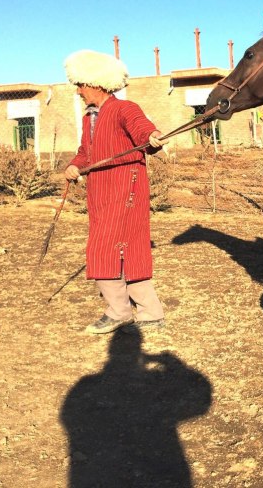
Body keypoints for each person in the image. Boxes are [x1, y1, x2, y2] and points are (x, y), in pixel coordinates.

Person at [64, 49, 169, 334]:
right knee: (124, 248)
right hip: (99, 194)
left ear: (95, 83)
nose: (78, 91)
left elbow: (142, 130)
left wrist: (152, 137)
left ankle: (120, 311)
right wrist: (74, 166)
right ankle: (149, 313)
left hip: (126, 189)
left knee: (105, 248)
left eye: (80, 85)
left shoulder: (125, 108)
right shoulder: (89, 118)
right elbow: (86, 152)